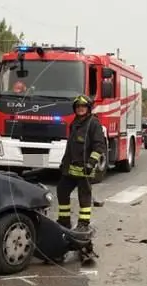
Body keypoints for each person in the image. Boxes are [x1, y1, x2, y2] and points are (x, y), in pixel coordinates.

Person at [56, 95, 106, 232]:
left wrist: (91, 163)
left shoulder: (93, 124)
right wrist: (63, 163)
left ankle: (83, 223)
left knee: (84, 196)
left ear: (88, 108)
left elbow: (99, 146)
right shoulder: (75, 123)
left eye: (83, 106)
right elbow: (70, 146)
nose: (80, 109)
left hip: (85, 169)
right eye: (78, 107)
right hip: (70, 169)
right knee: (62, 190)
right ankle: (64, 221)